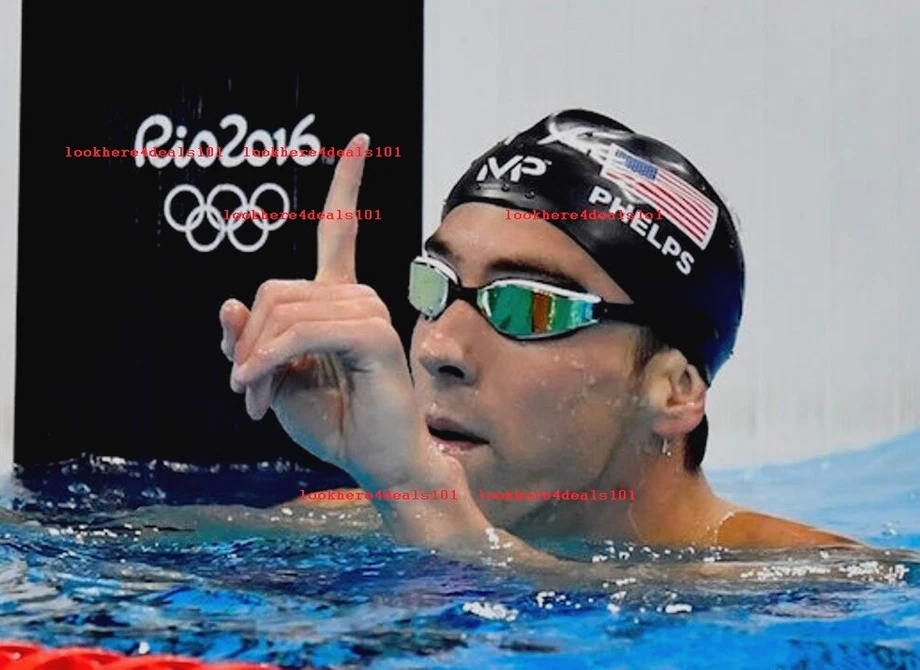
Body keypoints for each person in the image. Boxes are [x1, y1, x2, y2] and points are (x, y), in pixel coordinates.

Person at [218, 110, 858, 572]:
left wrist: (428, 510)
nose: (441, 348)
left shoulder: (813, 585)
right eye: (435, 285)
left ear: (674, 390)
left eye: (528, 306)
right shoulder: (365, 513)